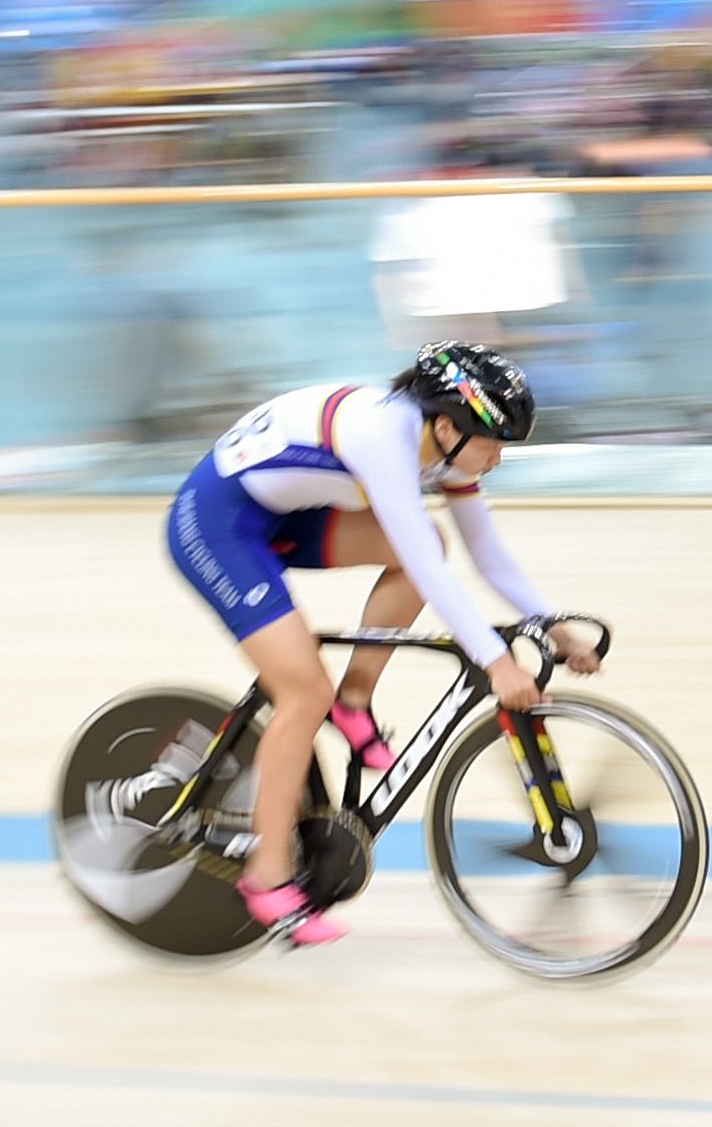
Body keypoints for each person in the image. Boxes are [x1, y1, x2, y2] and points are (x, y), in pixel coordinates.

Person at [164, 342, 597, 946]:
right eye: (494, 442)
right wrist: (496, 662)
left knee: (432, 547)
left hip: (290, 513)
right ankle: (266, 877)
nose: (497, 458)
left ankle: (355, 702)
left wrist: (551, 625)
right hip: (218, 523)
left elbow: (488, 557)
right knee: (303, 690)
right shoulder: (384, 437)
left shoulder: (449, 450)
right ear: (445, 425)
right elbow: (426, 569)